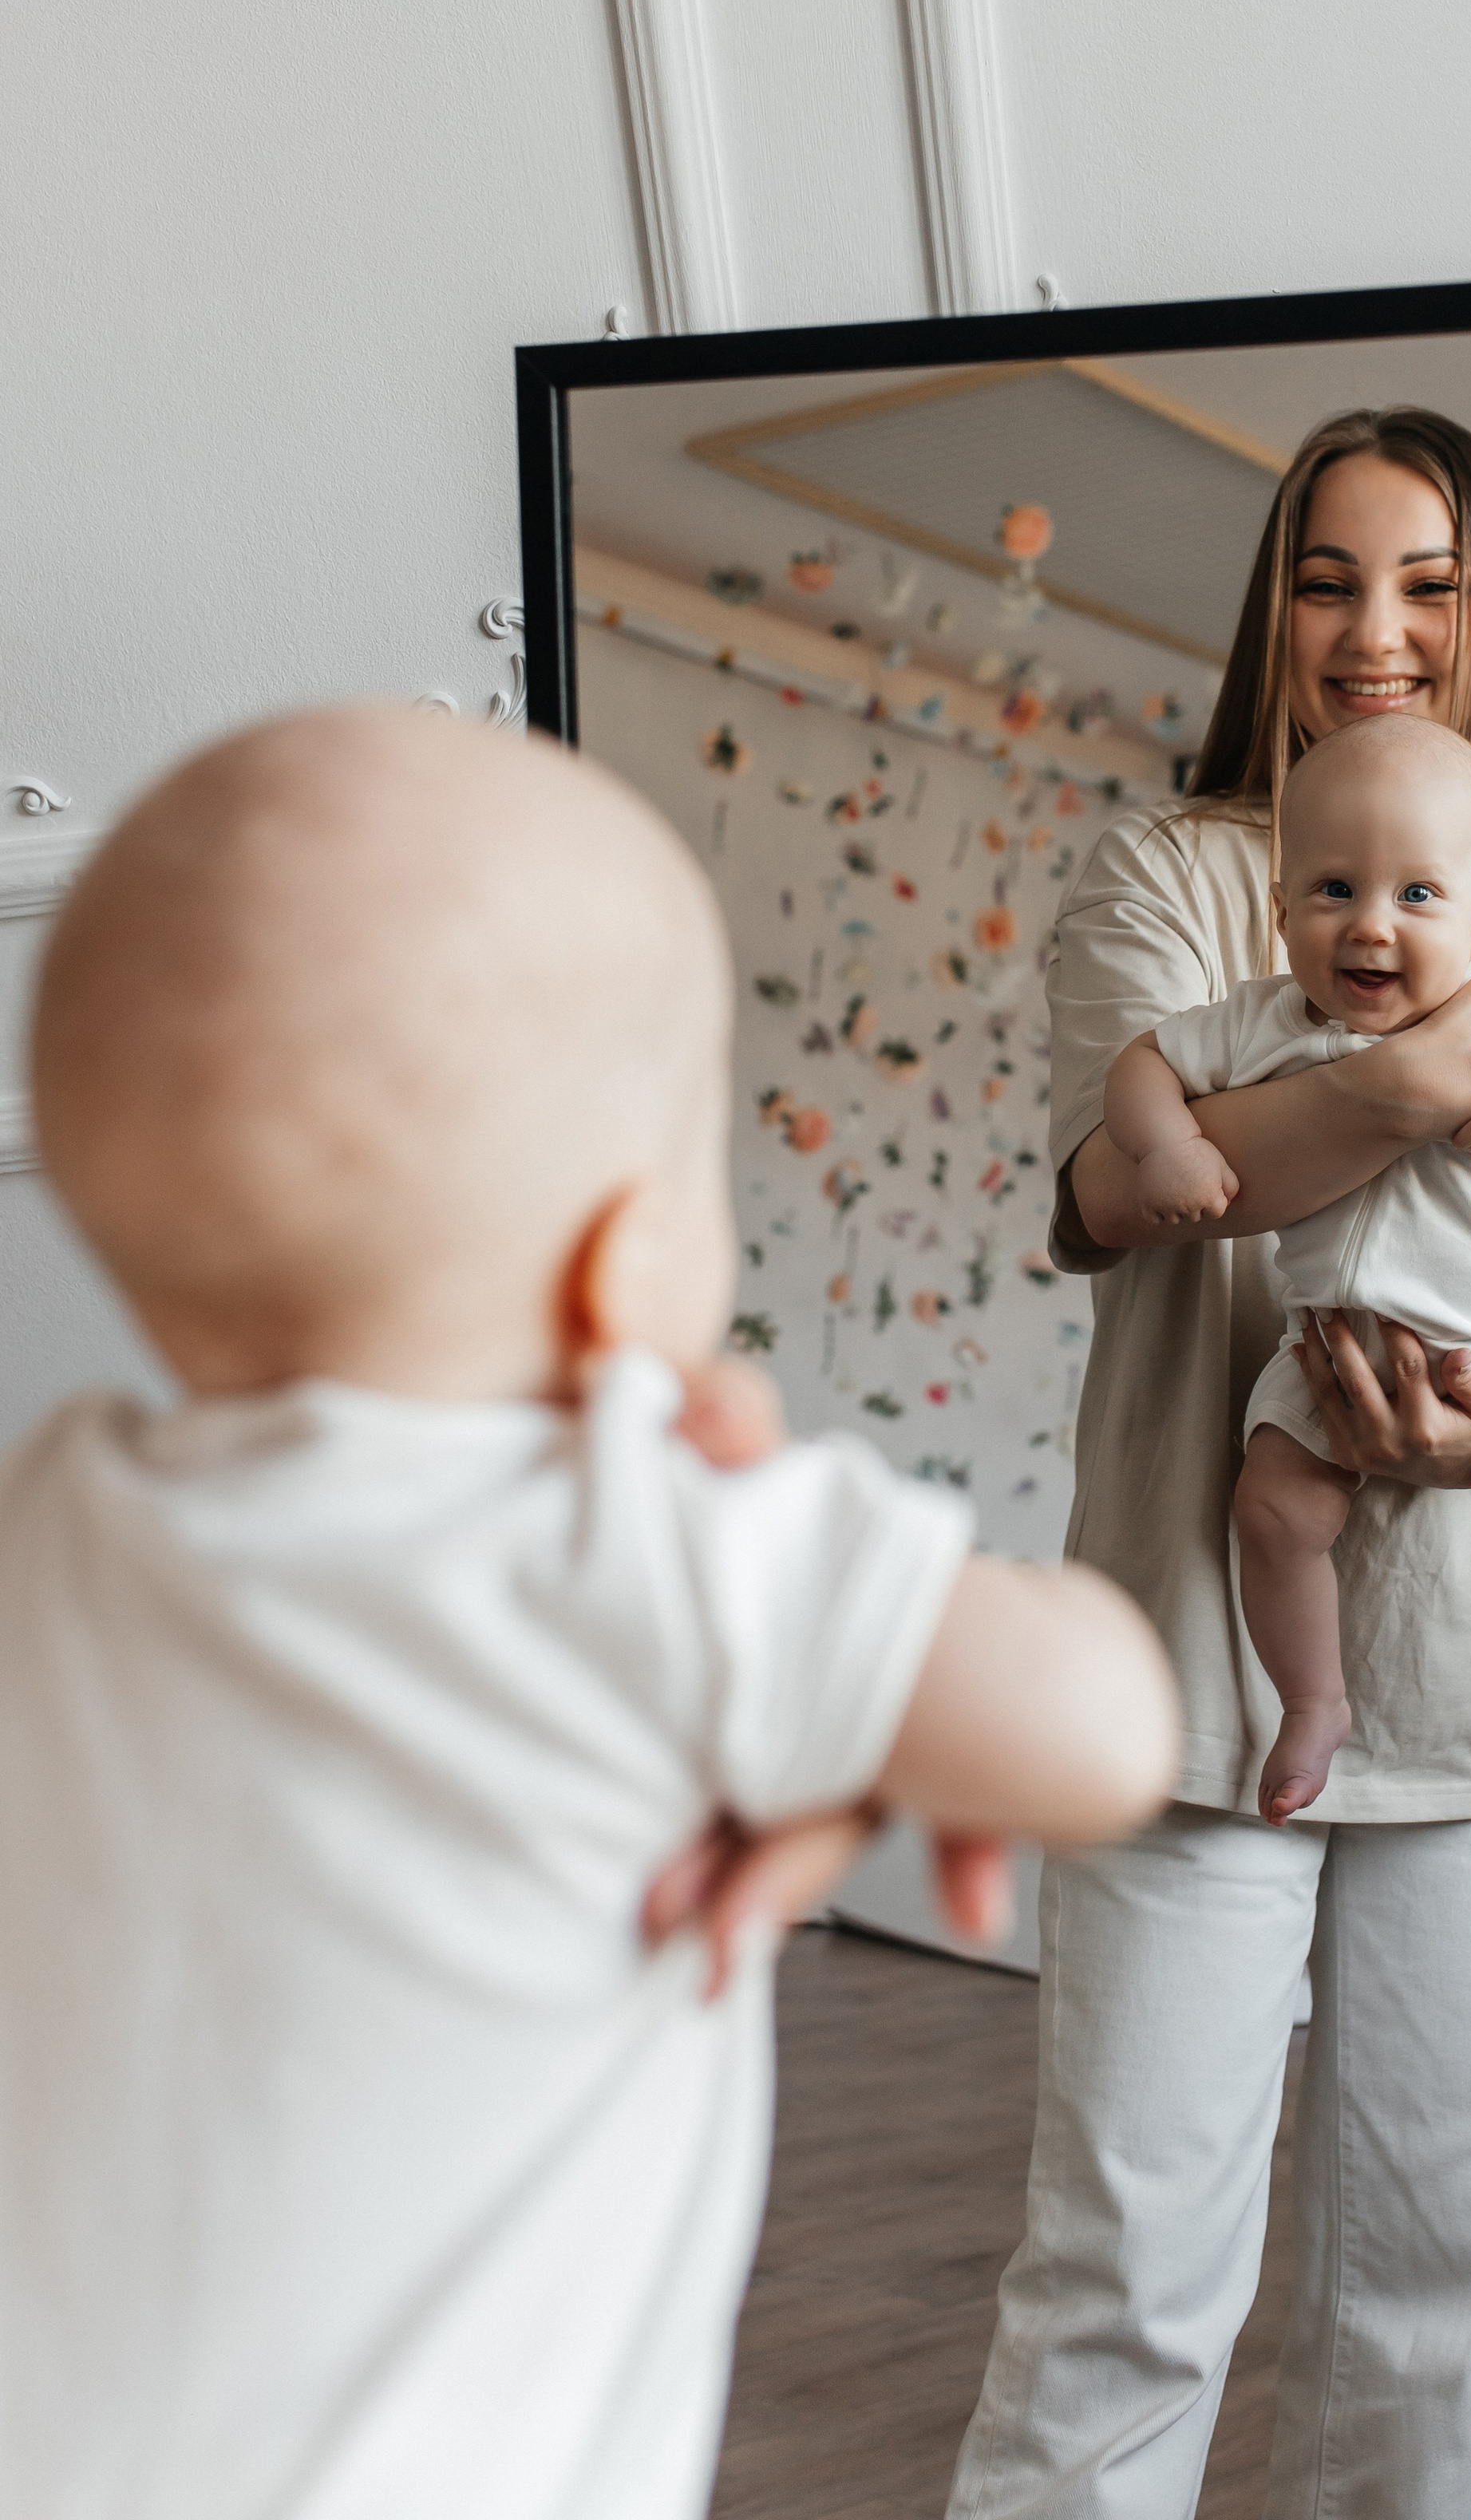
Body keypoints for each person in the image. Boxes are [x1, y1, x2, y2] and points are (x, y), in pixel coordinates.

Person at [0, 704, 1180, 2520]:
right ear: (628, 1258)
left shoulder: (53, 1516)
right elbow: (1103, 1734)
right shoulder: (636, 1533)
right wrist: (820, 1607)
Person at [947, 407, 1471, 2520]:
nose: (1373, 632)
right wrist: (1434, 1066)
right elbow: (1148, 1193)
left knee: (1432, 2301)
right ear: (1270, 601)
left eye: (1427, 584)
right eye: (1326, 576)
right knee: (1124, 2294)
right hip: (1180, 1676)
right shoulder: (1171, 870)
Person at [1101, 713, 1471, 1824]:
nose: (1370, 928)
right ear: (1280, 911)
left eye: (1417, 897)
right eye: (1334, 890)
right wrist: (1169, 1143)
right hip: (1327, 1347)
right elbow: (1143, 1062)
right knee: (1273, 1511)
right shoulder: (1265, 1022)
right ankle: (1313, 1701)